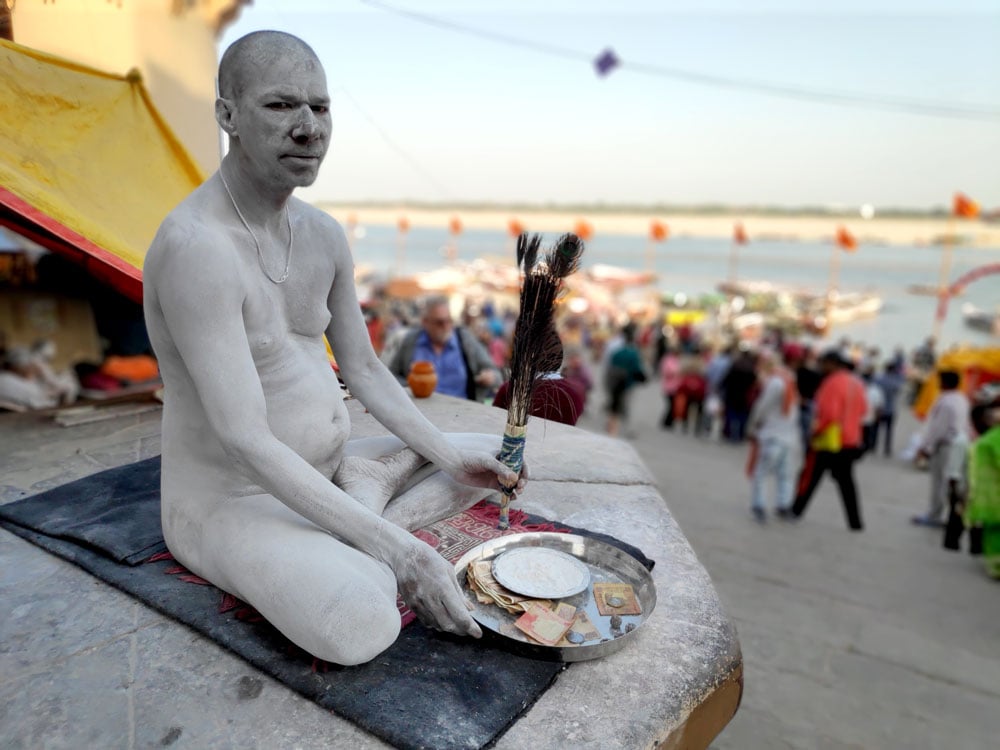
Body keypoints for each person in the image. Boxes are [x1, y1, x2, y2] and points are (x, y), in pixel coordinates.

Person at [142, 31, 523, 667]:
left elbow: (365, 369)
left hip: (325, 463)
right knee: (359, 623)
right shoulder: (196, 248)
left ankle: (365, 497)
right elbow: (245, 439)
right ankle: (370, 507)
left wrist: (449, 456)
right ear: (227, 115)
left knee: (487, 460)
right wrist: (404, 554)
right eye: (280, 105)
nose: (308, 128)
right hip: (232, 498)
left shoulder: (321, 234)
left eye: (319, 107)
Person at [791, 349, 867, 531]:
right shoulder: (856, 383)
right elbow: (864, 410)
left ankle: (796, 510)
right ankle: (855, 521)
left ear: (832, 364)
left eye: (823, 363)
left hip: (829, 439)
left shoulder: (832, 383)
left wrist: (816, 431)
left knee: (810, 476)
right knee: (847, 483)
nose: (821, 367)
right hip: (850, 440)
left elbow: (829, 414)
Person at [384, 295, 501, 402]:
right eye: (439, 322)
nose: (446, 326)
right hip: (419, 411)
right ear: (425, 322)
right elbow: (390, 375)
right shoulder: (411, 341)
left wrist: (489, 377)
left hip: (460, 411)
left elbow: (496, 374)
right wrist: (411, 385)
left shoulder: (465, 340)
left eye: (449, 321)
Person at [745, 349, 800, 522]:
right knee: (785, 473)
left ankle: (759, 505)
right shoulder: (789, 379)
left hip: (772, 434)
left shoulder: (775, 381)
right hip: (788, 435)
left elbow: (762, 406)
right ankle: (783, 505)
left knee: (761, 472)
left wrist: (752, 425)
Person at [912, 370, 970, 527]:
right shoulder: (961, 399)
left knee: (939, 482)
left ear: (944, 383)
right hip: (958, 444)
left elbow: (937, 429)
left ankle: (935, 514)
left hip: (945, 445)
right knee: (951, 481)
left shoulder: (946, 403)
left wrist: (925, 448)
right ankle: (949, 514)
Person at [964, 390, 1000, 578]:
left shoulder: (989, 439)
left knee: (992, 530)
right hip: (991, 493)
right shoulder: (992, 438)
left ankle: (995, 565)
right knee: (993, 530)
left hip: (988, 494)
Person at [604, 322, 647, 437]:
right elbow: (637, 368)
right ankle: (629, 429)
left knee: (615, 405)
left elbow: (610, 365)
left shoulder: (617, 352)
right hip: (628, 383)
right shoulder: (634, 353)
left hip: (616, 382)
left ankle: (611, 426)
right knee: (629, 406)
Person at [874, 361, 905, 457]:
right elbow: (899, 391)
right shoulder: (895, 381)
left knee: (876, 428)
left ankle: (873, 446)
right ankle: (887, 448)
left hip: (879, 408)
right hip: (890, 408)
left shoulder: (879, 379)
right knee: (889, 430)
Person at [860, 367, 884, 455]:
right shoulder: (875, 390)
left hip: (864, 417)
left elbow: (878, 405)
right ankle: (869, 446)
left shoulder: (860, 388)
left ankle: (866, 446)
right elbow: (879, 405)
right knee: (868, 434)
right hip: (868, 417)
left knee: (865, 434)